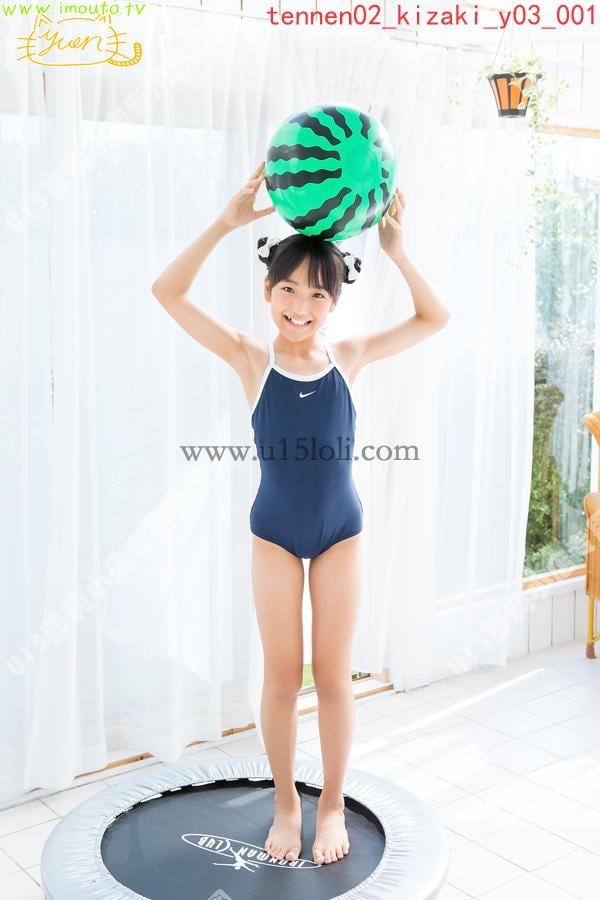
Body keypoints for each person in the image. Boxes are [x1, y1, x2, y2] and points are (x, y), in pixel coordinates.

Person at [151, 160, 451, 866]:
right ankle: (287, 802)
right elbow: (167, 291)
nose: (300, 305)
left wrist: (399, 252)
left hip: (342, 532)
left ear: (335, 302)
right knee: (283, 677)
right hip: (275, 536)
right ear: (267, 290)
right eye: (287, 289)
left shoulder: (350, 355)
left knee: (335, 676)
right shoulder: (250, 358)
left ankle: (333, 803)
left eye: (317, 293)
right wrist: (225, 223)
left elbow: (435, 318)